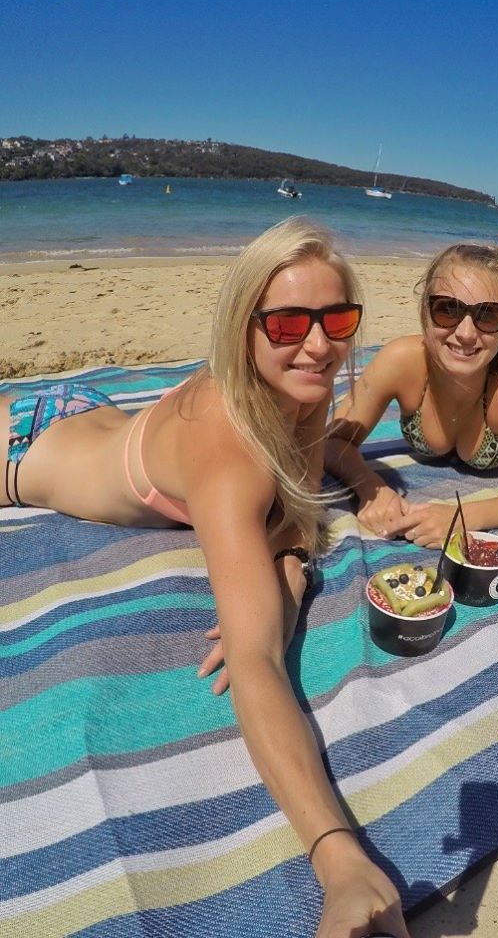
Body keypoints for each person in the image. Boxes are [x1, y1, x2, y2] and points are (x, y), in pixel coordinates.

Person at [1, 218, 410, 938]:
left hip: (88, 411)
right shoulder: (228, 442)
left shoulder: (304, 387)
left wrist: (292, 566)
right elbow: (254, 661)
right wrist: (338, 856)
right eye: (287, 323)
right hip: (23, 451)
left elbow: (297, 509)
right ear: (243, 326)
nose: (318, 344)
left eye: (337, 319)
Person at [325, 239, 498, 548]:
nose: (465, 333)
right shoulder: (400, 360)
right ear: (425, 311)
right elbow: (332, 441)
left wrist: (462, 517)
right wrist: (371, 487)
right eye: (448, 309)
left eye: (489, 315)